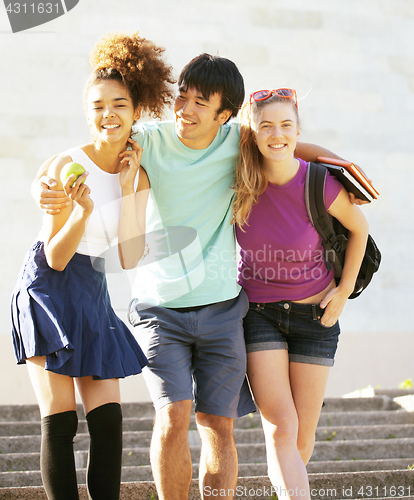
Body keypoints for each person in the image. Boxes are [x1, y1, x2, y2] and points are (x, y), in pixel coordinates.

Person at [32, 54, 358, 500]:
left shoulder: (237, 142)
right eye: (181, 97)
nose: (184, 109)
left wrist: (345, 167)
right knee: (172, 418)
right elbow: (93, 145)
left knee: (218, 425)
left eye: (199, 103)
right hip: (158, 309)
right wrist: (42, 180)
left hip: (223, 309)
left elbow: (284, 141)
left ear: (225, 114)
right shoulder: (149, 139)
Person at [11, 32, 175, 500]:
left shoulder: (137, 175)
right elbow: (55, 256)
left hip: (94, 290)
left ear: (136, 111)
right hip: (49, 286)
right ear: (88, 113)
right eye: (99, 106)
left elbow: (127, 256)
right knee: (61, 419)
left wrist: (126, 190)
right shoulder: (67, 165)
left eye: (119, 104)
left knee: (108, 421)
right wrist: (81, 213)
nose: (109, 115)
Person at [232, 88, 369, 499]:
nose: (277, 135)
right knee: (280, 427)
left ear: (298, 129)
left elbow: (360, 228)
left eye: (286, 125)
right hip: (260, 314)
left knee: (302, 439)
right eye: (266, 127)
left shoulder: (320, 184)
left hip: (316, 318)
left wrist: (344, 291)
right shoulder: (239, 180)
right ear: (251, 133)